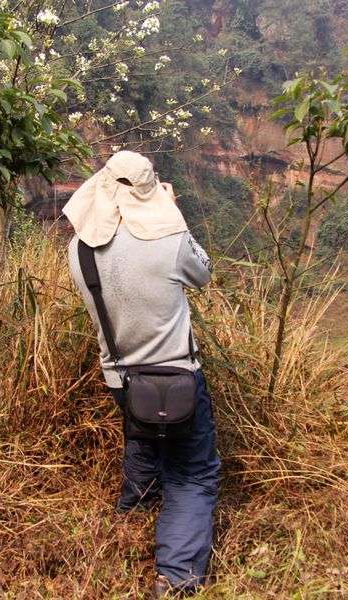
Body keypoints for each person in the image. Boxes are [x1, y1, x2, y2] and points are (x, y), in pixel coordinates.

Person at [63, 150, 221, 597]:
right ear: (150, 192)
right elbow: (203, 274)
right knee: (192, 475)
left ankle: (132, 515)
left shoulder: (79, 250)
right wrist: (170, 213)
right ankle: (177, 574)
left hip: (122, 381)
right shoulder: (170, 239)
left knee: (144, 437)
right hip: (176, 380)